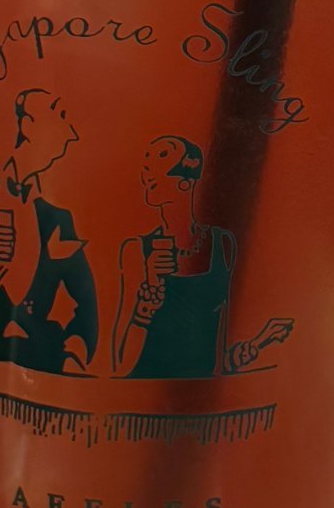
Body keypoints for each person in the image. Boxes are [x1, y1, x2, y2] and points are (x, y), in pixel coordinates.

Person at [112, 135, 292, 378]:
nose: (147, 171)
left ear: (186, 182)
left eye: (161, 158)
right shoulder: (135, 250)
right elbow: (121, 364)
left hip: (198, 395)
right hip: (139, 397)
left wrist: (261, 341)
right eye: (147, 163)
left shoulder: (223, 245)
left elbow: (218, 357)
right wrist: (148, 295)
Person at [0, 88, 98, 370]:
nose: (71, 134)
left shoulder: (59, 219)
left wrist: (76, 352)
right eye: (58, 116)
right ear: (27, 125)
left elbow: (84, 299)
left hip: (46, 359)